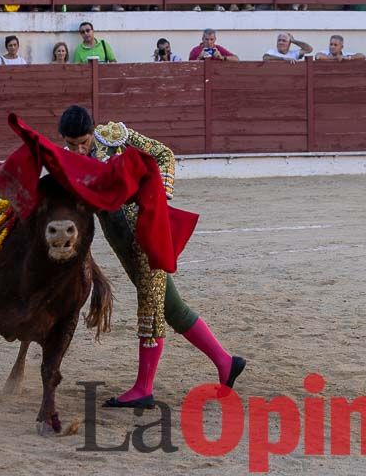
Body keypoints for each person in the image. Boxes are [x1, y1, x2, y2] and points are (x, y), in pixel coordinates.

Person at [54, 105, 244, 408]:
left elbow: (163, 153)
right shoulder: (68, 161)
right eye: (72, 143)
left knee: (152, 308)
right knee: (172, 307)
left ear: (93, 131)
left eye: (84, 141)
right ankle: (226, 362)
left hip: (145, 234)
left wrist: (158, 196)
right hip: (123, 244)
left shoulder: (113, 137)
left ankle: (144, 389)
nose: (78, 148)